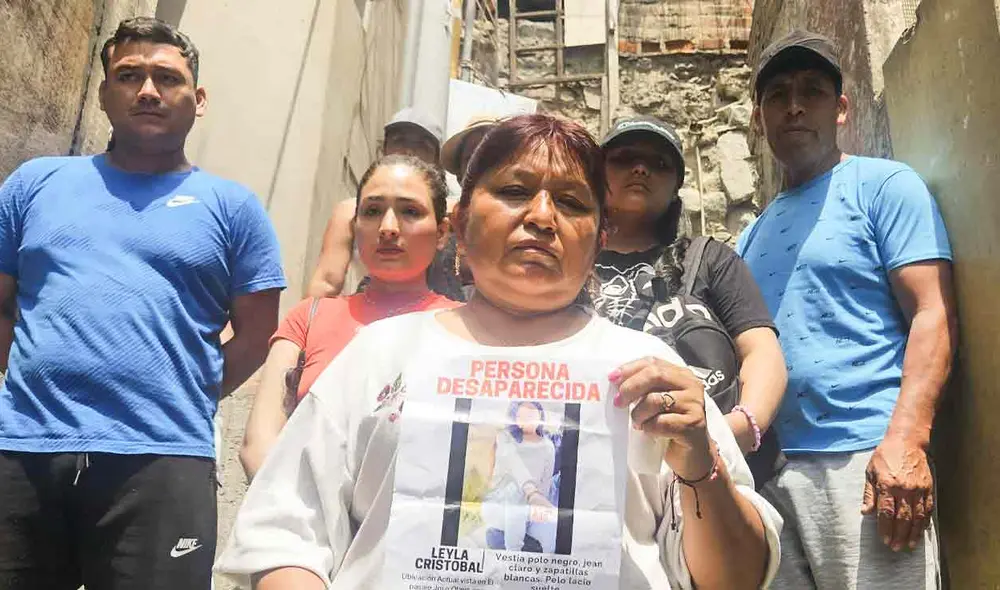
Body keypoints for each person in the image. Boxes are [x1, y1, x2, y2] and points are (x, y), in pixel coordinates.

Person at [215, 114, 781, 589]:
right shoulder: (380, 355)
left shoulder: (652, 376)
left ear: (599, 235)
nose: (540, 217)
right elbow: (286, 534)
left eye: (571, 202)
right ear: (460, 224)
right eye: (514, 191)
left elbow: (736, 578)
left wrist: (700, 468)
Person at [0, 17, 285, 590]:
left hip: (164, 460)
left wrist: (178, 387)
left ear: (197, 99)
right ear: (105, 93)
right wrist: (33, 378)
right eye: (128, 75)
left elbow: (256, 336)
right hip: (24, 451)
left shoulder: (233, 208)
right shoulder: (34, 185)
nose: (148, 90)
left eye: (166, 78)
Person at [736, 29, 958, 589]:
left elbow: (932, 314)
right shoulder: (751, 234)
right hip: (773, 475)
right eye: (777, 94)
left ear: (840, 109)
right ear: (759, 116)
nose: (793, 106)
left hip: (867, 466)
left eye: (811, 90)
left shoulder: (883, 186)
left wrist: (906, 440)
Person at [240, 155, 459, 479]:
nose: (387, 228)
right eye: (372, 211)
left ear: (442, 233)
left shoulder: (464, 328)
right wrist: (294, 518)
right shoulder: (309, 319)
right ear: (355, 226)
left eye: (409, 211)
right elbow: (258, 443)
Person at [594, 115, 787, 470]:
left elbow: (762, 349)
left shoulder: (709, 258)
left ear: (675, 189)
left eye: (659, 163)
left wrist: (739, 431)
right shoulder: (570, 263)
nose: (640, 169)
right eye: (624, 158)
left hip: (713, 466)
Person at [308, 108, 444, 297]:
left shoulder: (454, 215)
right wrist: (305, 323)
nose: (409, 151)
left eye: (423, 145)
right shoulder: (348, 211)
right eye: (399, 140)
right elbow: (326, 282)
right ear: (383, 149)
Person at [481, 401, 557, 553]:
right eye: (522, 416)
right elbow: (514, 464)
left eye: (532, 414)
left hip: (532, 508)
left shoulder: (548, 446)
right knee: (514, 490)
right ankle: (513, 551)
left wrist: (536, 502)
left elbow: (546, 483)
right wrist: (531, 492)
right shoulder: (505, 438)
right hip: (503, 501)